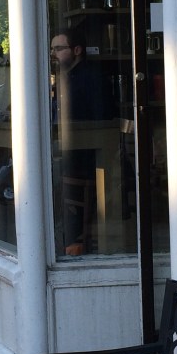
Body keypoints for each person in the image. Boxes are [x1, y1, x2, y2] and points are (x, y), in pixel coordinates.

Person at [50, 28, 114, 256]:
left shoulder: (89, 78)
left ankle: (69, 237)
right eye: (52, 49)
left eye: (59, 49)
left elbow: (99, 120)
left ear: (77, 50)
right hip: (74, 150)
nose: (54, 54)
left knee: (46, 173)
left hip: (87, 156)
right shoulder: (66, 77)